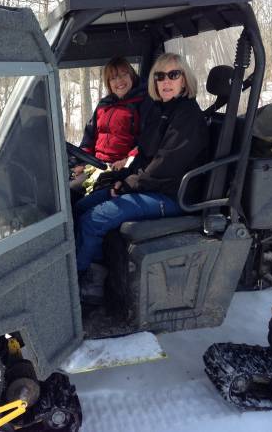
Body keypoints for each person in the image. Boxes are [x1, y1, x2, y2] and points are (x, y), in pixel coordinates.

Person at [75, 53, 209, 303]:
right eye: (159, 76)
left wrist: (128, 184)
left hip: (172, 195)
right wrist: (122, 176)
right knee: (82, 206)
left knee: (95, 219)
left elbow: (165, 165)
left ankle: (86, 282)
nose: (166, 81)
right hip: (152, 187)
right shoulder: (161, 111)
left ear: (184, 80)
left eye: (173, 75)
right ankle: (87, 265)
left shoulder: (187, 116)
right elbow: (143, 156)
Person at [70, 57, 145, 204]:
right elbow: (89, 137)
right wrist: (81, 162)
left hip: (117, 169)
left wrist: (126, 161)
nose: (119, 81)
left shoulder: (141, 104)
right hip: (95, 165)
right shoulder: (104, 105)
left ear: (132, 76)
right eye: (113, 78)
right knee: (64, 192)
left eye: (124, 75)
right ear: (108, 83)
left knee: (74, 199)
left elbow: (145, 142)